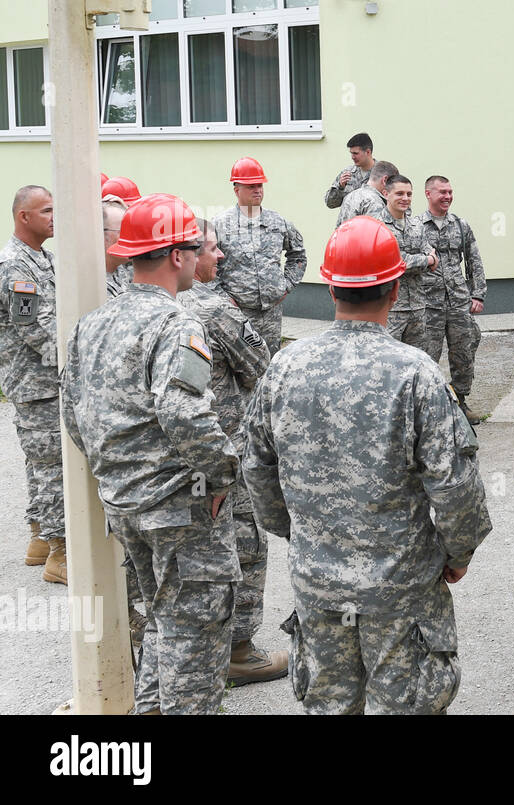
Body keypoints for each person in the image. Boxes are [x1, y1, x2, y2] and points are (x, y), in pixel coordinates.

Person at [243, 215, 492, 713]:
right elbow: (455, 484)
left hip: (318, 582)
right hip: (400, 586)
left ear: (330, 285)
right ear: (396, 287)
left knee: (329, 705)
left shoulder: (284, 366)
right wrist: (458, 551)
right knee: (407, 704)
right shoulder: (416, 372)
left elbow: (256, 467)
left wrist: (298, 534)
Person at [62, 194, 240, 714]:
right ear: (178, 256)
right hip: (181, 508)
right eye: (195, 247)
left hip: (125, 504)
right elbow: (184, 414)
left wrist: (119, 474)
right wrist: (223, 475)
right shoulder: (176, 324)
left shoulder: (91, 325)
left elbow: (74, 417)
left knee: (164, 625)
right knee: (197, 646)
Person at [178, 219, 286, 686]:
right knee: (245, 544)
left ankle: (182, 645)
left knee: (182, 551)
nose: (220, 257)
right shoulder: (216, 309)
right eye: (212, 249)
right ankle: (238, 651)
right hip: (222, 450)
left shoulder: (142, 305)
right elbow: (261, 367)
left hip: (168, 459)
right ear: (185, 254)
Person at [0, 185, 65, 583]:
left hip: (47, 379)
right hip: (35, 380)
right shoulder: (14, 266)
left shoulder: (44, 259)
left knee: (42, 460)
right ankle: (60, 553)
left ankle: (40, 537)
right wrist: (77, 358)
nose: (54, 217)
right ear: (24, 217)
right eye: (46, 211)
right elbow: (35, 329)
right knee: (51, 463)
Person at [212, 157, 307, 356]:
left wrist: (286, 285)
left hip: (271, 314)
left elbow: (297, 254)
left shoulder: (277, 222)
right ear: (236, 189)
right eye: (251, 186)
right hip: (237, 313)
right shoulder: (220, 225)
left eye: (260, 185)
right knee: (241, 366)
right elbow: (206, 266)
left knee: (269, 361)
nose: (258, 190)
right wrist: (223, 298)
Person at [418, 175, 488, 424]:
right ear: (428, 194)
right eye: (442, 192)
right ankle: (430, 405)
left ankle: (461, 400)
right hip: (429, 303)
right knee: (427, 356)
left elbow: (474, 260)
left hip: (459, 301)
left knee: (463, 354)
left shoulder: (461, 225)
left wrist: (477, 294)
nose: (447, 196)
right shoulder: (416, 226)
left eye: (450, 192)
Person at [370, 173, 433, 353]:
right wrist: (425, 260)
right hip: (391, 309)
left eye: (409, 194)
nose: (405, 198)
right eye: (399, 194)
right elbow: (393, 261)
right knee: (388, 360)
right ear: (386, 193)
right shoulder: (376, 226)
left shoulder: (416, 226)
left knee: (417, 360)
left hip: (418, 306)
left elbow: (431, 256)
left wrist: (425, 260)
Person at [335, 160, 398, 228]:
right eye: (393, 184)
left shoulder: (350, 196)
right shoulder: (375, 202)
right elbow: (376, 234)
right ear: (385, 180)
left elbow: (339, 229)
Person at [324, 132, 376, 210]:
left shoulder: (382, 173)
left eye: (356, 153)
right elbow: (330, 203)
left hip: (372, 221)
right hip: (349, 221)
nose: (352, 157)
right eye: (351, 153)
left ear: (368, 152)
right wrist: (340, 187)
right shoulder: (348, 173)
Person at [102, 196, 133, 299]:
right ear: (101, 235)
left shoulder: (123, 271)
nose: (131, 238)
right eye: (124, 232)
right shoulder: (90, 283)